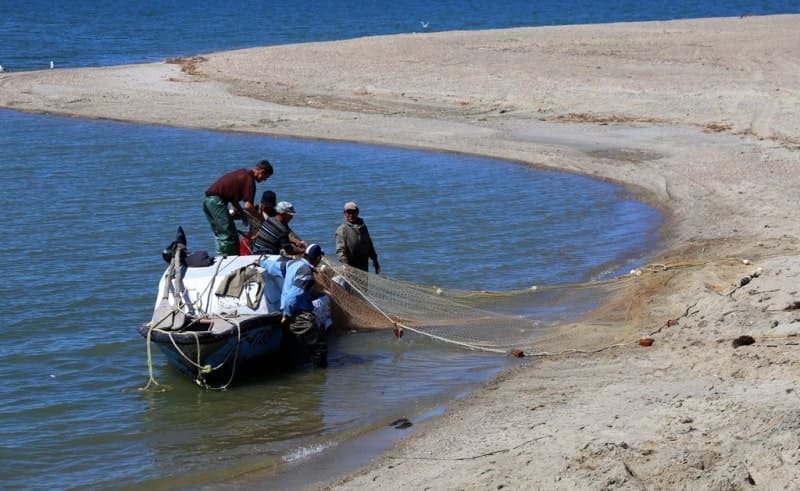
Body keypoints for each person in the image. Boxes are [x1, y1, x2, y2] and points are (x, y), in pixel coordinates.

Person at [203, 160, 273, 256]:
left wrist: (243, 215)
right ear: (261, 171)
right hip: (217, 202)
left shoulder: (243, 174)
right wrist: (260, 219)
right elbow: (248, 206)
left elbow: (234, 200)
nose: (265, 180)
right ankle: (230, 258)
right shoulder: (249, 180)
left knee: (219, 232)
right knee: (229, 234)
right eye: (266, 177)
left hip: (207, 201)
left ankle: (220, 256)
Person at [281, 244, 328, 368]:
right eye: (320, 257)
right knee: (319, 347)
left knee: (291, 347)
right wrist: (287, 314)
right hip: (298, 314)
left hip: (290, 311)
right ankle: (319, 377)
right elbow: (294, 296)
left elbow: (274, 266)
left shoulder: (292, 264)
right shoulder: (306, 271)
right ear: (317, 258)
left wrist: (261, 262)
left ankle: (289, 374)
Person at [335, 201, 380, 273]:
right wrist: (345, 265)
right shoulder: (342, 229)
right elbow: (340, 251)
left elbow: (369, 244)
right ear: (344, 214)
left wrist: (375, 261)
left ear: (357, 212)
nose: (351, 215)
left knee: (363, 284)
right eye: (348, 212)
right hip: (350, 269)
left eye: (353, 212)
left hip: (364, 268)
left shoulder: (363, 227)